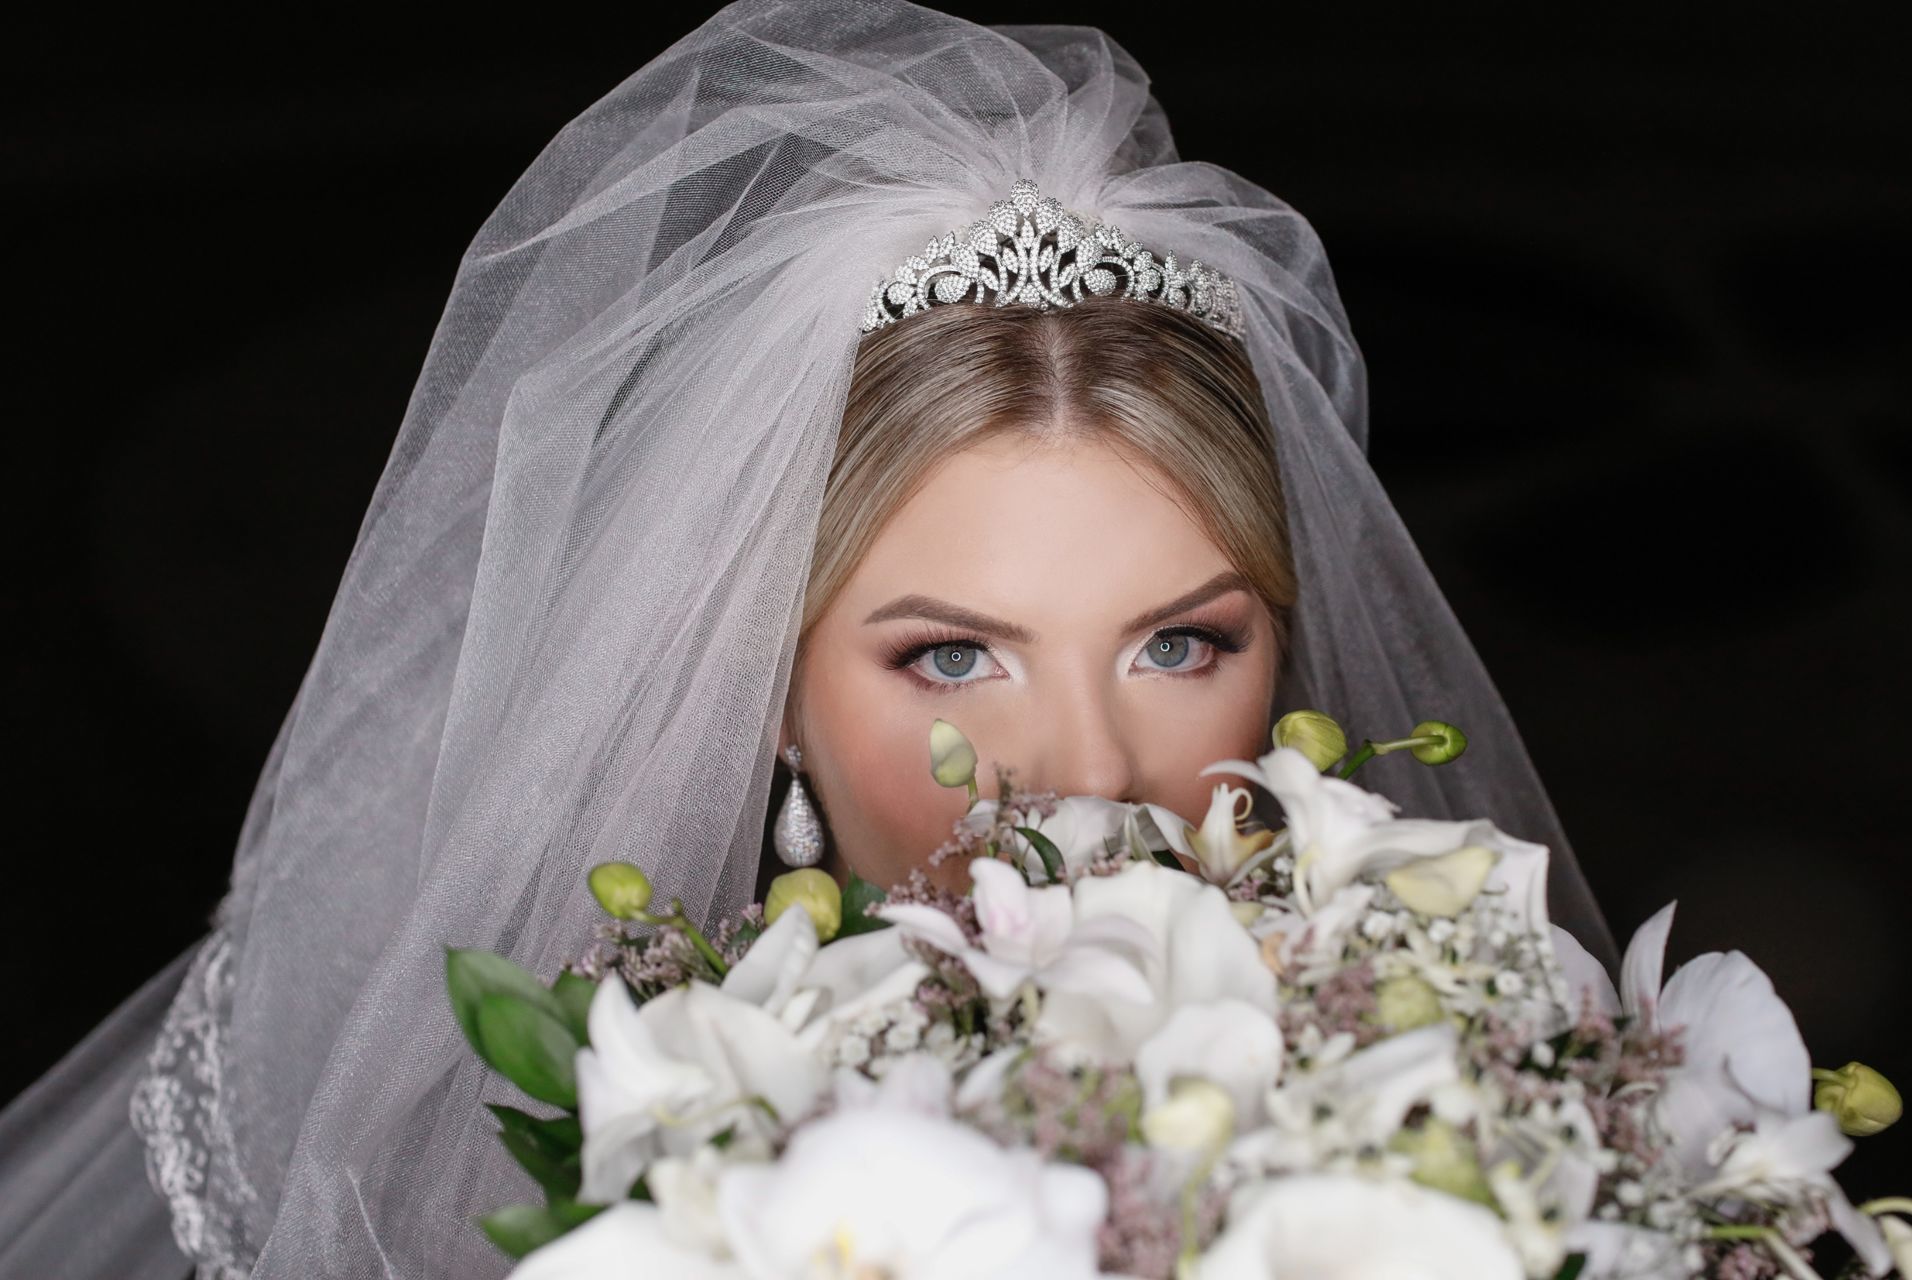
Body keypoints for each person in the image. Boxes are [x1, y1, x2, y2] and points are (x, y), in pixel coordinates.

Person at [0, 2, 1614, 1276]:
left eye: (1181, 646)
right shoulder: (572, 1189)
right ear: (758, 687)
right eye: (952, 656)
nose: (1089, 779)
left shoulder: (1460, 1096)